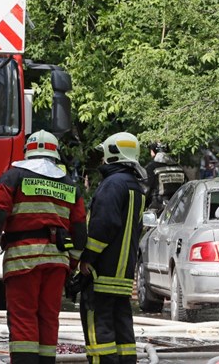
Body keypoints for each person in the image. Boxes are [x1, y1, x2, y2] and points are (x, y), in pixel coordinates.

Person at [0, 130, 87, 364]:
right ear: (55, 153)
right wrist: (73, 261)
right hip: (57, 261)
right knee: (49, 317)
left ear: (27, 151)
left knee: (23, 317)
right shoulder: (69, 184)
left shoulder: (13, 176)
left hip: (22, 259)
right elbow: (79, 228)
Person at [79, 132, 146, 364]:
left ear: (112, 154)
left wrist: (87, 258)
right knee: (122, 326)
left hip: (103, 271)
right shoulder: (135, 188)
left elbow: (103, 226)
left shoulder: (112, 184)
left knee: (99, 328)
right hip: (124, 273)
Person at [144, 142, 186, 214]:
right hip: (178, 210)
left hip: (157, 210)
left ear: (154, 152)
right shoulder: (179, 168)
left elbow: (145, 190)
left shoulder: (151, 168)